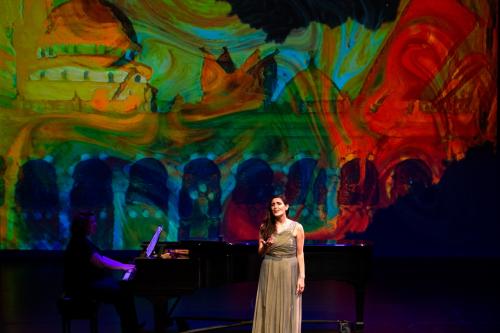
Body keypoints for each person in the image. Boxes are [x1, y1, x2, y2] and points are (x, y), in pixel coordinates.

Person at [63, 211, 142, 333]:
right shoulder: (79, 243)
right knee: (123, 292)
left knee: (123, 289)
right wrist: (123, 267)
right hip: (83, 288)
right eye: (92, 222)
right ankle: (131, 328)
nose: (95, 225)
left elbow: (101, 258)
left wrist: (123, 266)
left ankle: (131, 327)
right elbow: (100, 262)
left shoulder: (82, 241)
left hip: (88, 283)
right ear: (83, 226)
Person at [252, 194, 305, 333]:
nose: (275, 206)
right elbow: (260, 252)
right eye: (272, 204)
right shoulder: (265, 227)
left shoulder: (297, 227)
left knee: (287, 306)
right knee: (268, 305)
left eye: (279, 203)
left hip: (289, 269)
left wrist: (302, 277)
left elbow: (300, 253)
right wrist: (266, 246)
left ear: (286, 206)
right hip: (269, 268)